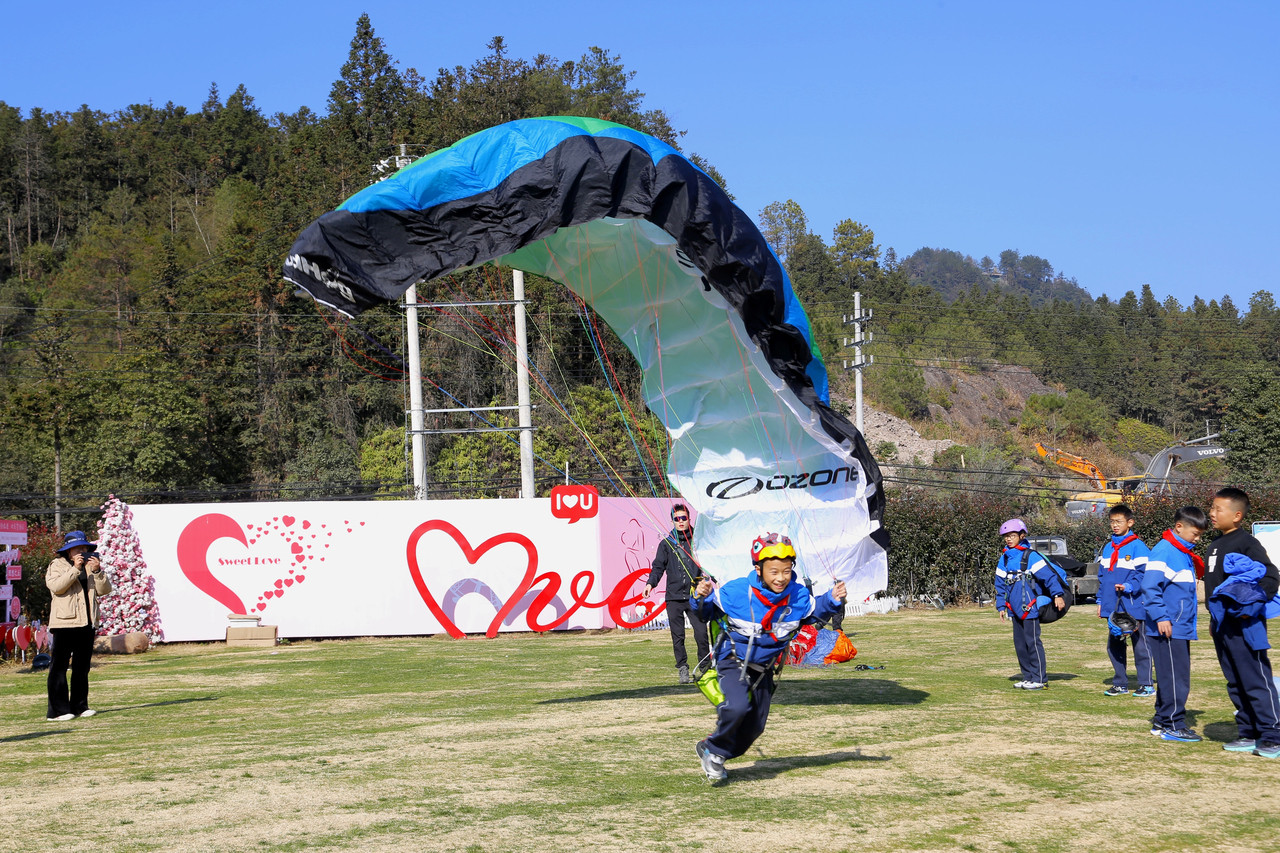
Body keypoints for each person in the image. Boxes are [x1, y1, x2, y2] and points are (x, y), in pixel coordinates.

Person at [689, 532, 846, 782]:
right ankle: (716, 753)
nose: (781, 578)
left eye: (786, 571)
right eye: (774, 571)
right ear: (759, 569)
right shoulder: (737, 591)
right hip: (732, 659)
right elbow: (704, 613)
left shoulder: (798, 596)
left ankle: (712, 747)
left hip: (764, 668)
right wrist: (701, 596)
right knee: (738, 705)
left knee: (755, 727)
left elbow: (815, 613)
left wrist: (833, 600)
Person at [1204, 488, 1280, 759]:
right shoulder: (1213, 545)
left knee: (1256, 679)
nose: (1212, 513)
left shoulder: (1246, 543)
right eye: (1211, 508)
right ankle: (1248, 732)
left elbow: (1270, 577)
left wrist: (1250, 606)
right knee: (1234, 681)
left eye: (1218, 509)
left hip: (1246, 626)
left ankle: (1273, 736)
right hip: (1222, 626)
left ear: (1237, 516)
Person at [1141, 505, 1208, 743]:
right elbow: (1149, 587)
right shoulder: (1165, 551)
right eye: (1195, 534)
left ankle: (1162, 722)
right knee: (1176, 678)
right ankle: (1172, 724)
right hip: (1168, 627)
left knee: (1173, 677)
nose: (1198, 539)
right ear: (1179, 527)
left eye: (1200, 535)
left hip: (1178, 626)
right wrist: (1161, 617)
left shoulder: (1182, 553)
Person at [46, 530, 112, 722]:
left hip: (87, 622)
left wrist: (98, 571)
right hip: (64, 623)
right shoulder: (56, 565)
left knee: (82, 668)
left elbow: (104, 590)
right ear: (68, 551)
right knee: (58, 667)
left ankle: (80, 706)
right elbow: (57, 587)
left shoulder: (91, 566)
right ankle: (57, 711)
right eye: (78, 548)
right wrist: (75, 569)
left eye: (85, 548)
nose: (82, 551)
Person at [993, 519, 1066, 691]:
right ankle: (1027, 677)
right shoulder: (1004, 558)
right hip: (1014, 608)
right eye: (1006, 536)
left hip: (1030, 608)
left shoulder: (1030, 556)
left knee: (1032, 642)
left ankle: (1040, 678)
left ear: (1022, 535)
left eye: (1012, 535)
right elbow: (999, 584)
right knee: (1020, 644)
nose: (1009, 539)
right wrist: (1001, 606)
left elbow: (1049, 577)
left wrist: (1057, 595)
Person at [643, 504, 709, 684]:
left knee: (701, 633)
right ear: (672, 520)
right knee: (677, 636)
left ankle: (705, 667)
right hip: (673, 597)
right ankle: (682, 668)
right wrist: (650, 583)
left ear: (689, 518)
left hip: (695, 596)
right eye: (677, 518)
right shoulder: (666, 544)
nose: (681, 522)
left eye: (684, 518)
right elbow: (658, 567)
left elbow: (710, 562)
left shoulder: (700, 540)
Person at [1097, 504, 1154, 697]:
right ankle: (1120, 683)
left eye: (1118, 521)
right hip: (1112, 603)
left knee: (1141, 644)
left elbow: (1144, 573)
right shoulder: (1107, 548)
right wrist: (1099, 602)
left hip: (1134, 603)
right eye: (1112, 521)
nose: (1114, 525)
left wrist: (1130, 587)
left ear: (1130, 522)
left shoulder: (1138, 546)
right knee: (1114, 643)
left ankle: (1146, 684)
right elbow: (1102, 577)